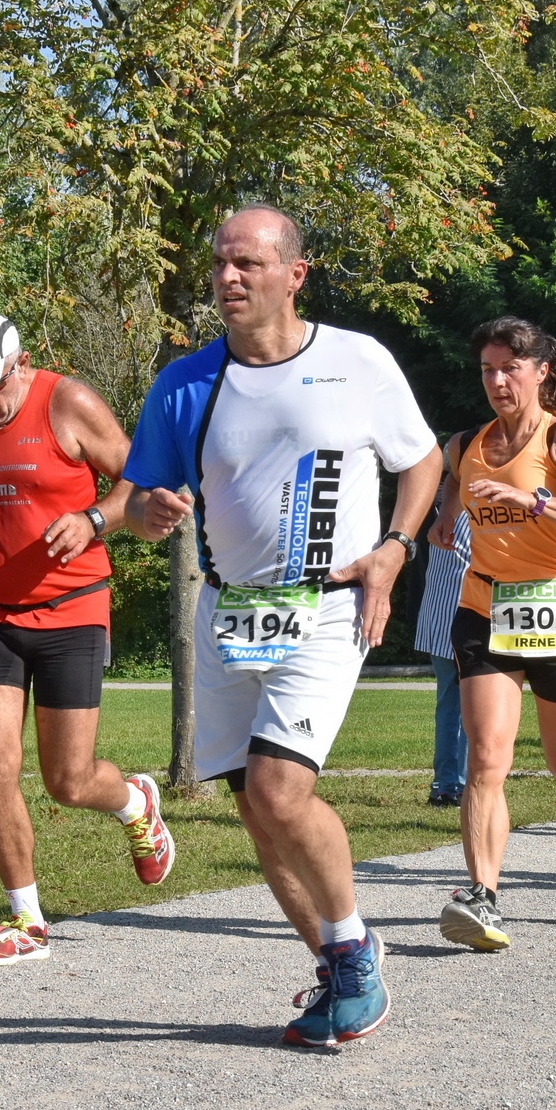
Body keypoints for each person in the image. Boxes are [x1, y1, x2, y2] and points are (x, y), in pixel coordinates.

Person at [122, 204, 441, 1047]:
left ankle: (355, 951)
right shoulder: (185, 383)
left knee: (278, 790)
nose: (227, 277)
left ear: (295, 274)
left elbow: (422, 459)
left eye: (248, 263)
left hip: (328, 604)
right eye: (219, 263)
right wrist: (146, 513)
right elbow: (137, 501)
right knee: (258, 813)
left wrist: (396, 548)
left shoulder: (356, 361)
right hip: (228, 609)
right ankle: (339, 966)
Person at [0, 309, 174, 968]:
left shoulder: (68, 403)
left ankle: (135, 801)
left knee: (68, 780)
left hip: (72, 609)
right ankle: (25, 919)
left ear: (20, 362)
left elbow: (139, 480)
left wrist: (94, 519)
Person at [429, 316, 556, 951]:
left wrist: (533, 502)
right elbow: (451, 487)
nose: (497, 381)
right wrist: (445, 517)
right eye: (487, 370)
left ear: (540, 372)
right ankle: (482, 895)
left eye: (510, 368)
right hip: (485, 608)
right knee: (486, 757)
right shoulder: (465, 444)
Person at [414, 484, 472, 806]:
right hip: (466, 618)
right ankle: (457, 784)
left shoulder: (437, 512)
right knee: (468, 709)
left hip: (440, 617)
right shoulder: (475, 514)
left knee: (450, 706)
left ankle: (445, 785)